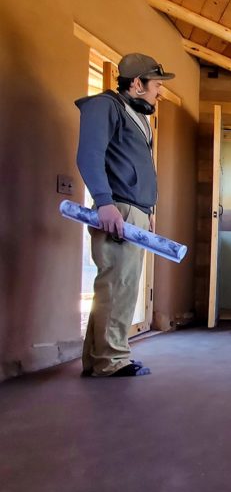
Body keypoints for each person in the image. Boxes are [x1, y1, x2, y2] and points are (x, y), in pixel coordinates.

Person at [76, 53, 174, 377]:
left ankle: (97, 360)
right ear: (136, 83)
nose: (160, 91)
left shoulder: (138, 116)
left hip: (136, 211)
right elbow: (89, 155)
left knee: (119, 286)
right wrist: (104, 203)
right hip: (118, 209)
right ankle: (112, 361)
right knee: (118, 286)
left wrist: (149, 210)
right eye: (156, 85)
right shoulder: (106, 106)